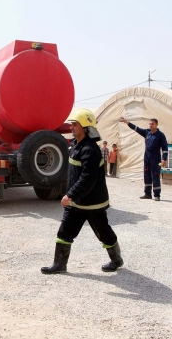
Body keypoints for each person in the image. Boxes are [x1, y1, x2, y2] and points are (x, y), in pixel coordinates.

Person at [41, 108, 123, 274]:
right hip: (77, 202)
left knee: (104, 232)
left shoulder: (90, 150)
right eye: (71, 124)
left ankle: (116, 259)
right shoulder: (76, 146)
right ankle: (60, 264)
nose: (71, 127)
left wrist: (70, 194)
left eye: (75, 125)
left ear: (85, 128)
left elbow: (87, 178)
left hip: (92, 203)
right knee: (64, 231)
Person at [120, 117, 168, 201]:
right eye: (150, 124)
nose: (150, 125)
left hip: (155, 158)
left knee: (155, 176)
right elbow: (136, 129)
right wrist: (126, 122)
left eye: (152, 124)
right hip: (147, 158)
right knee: (147, 175)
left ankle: (157, 195)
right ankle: (147, 194)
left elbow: (165, 148)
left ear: (157, 125)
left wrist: (164, 159)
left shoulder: (160, 135)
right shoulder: (147, 132)